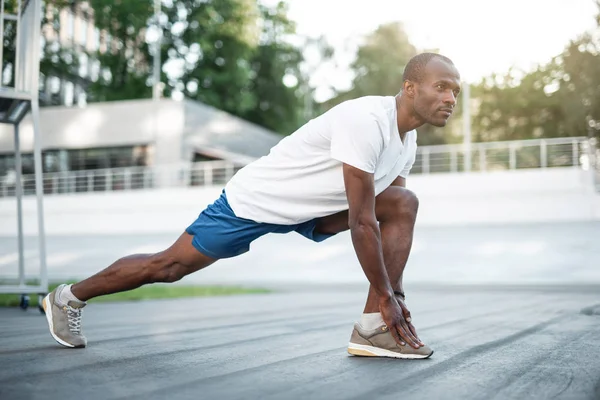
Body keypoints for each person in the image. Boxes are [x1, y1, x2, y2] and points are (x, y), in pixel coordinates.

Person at [42, 52, 461, 359]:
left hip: (311, 208)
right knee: (168, 267)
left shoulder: (408, 140)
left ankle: (372, 330)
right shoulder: (366, 120)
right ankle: (68, 297)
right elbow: (362, 221)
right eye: (441, 87)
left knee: (404, 201)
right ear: (409, 88)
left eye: (455, 92)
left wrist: (394, 293)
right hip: (258, 200)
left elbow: (391, 212)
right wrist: (390, 296)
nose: (450, 98)